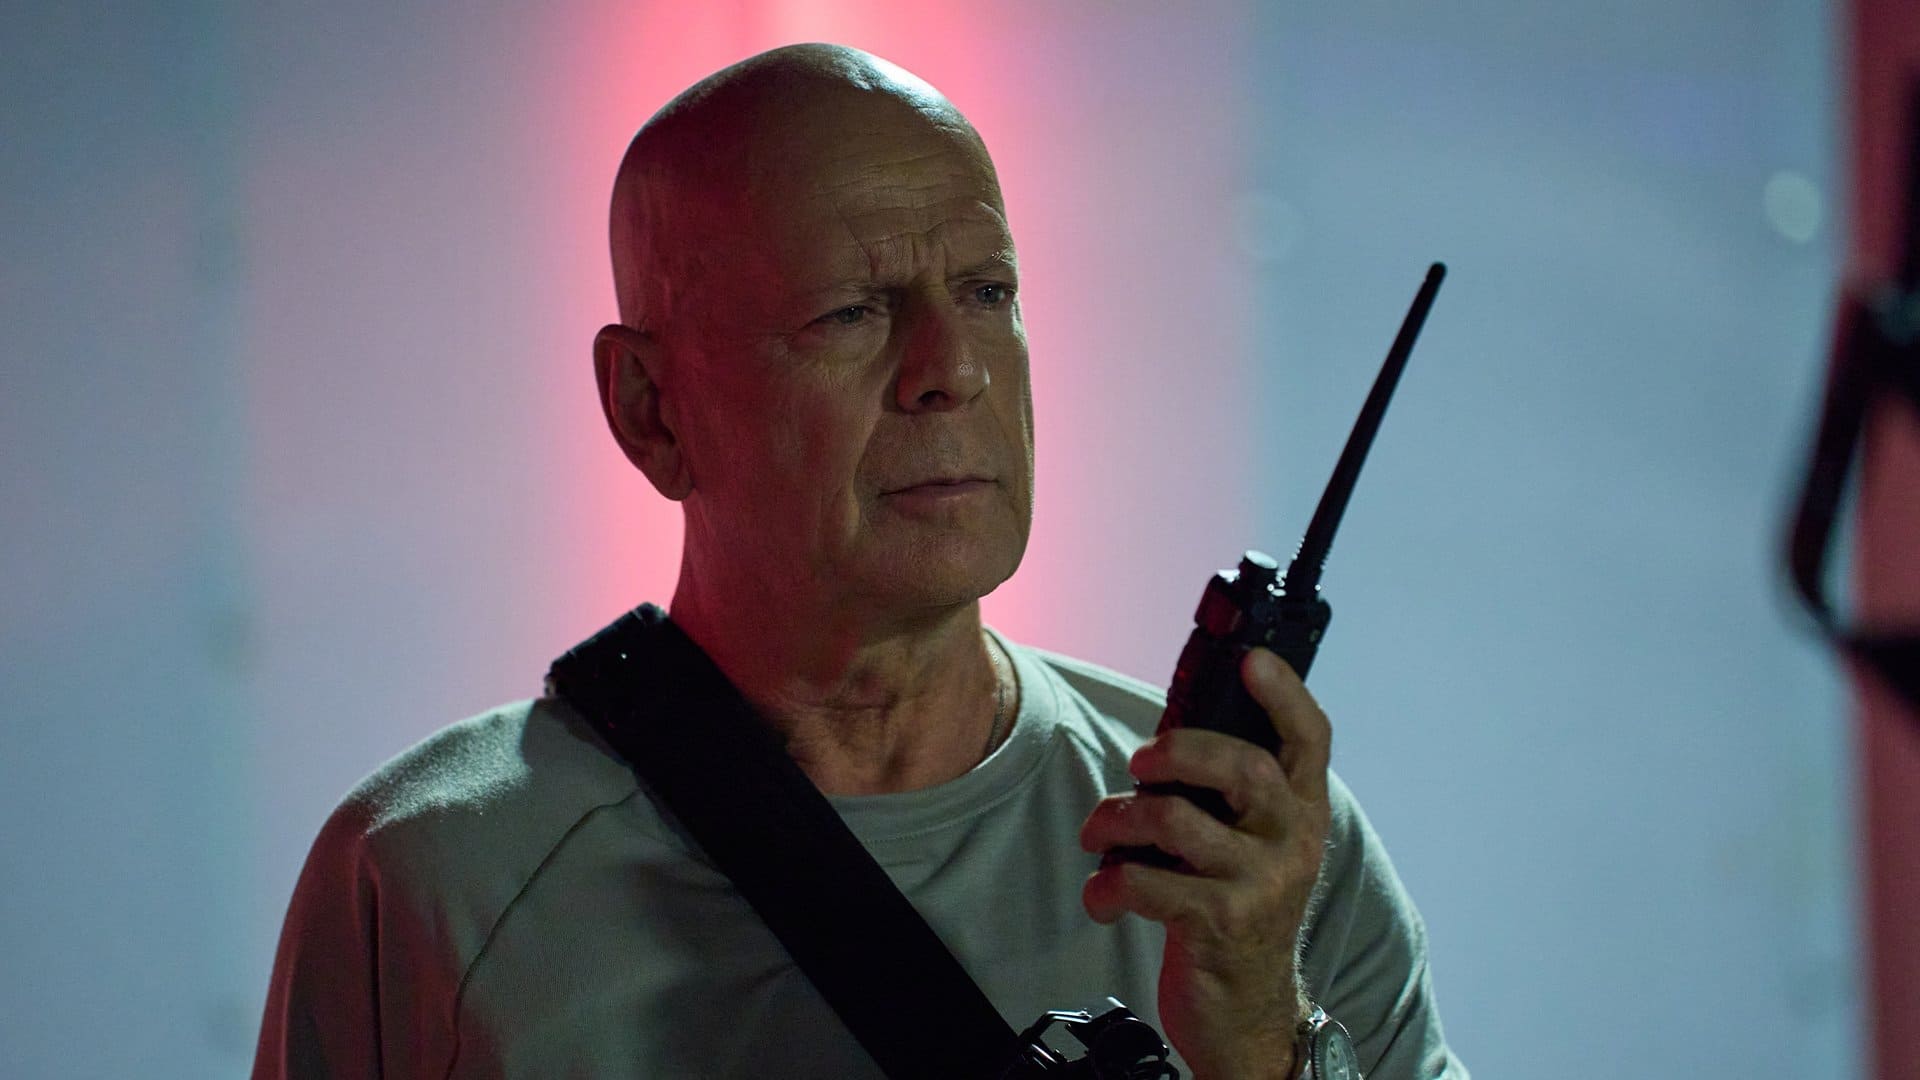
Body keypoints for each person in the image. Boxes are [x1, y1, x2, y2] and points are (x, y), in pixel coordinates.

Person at [253, 43, 1467, 1079]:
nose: (955, 368)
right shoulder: (432, 880)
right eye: (851, 311)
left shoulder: (1255, 865)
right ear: (650, 410)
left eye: (987, 292)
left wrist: (1258, 1037)